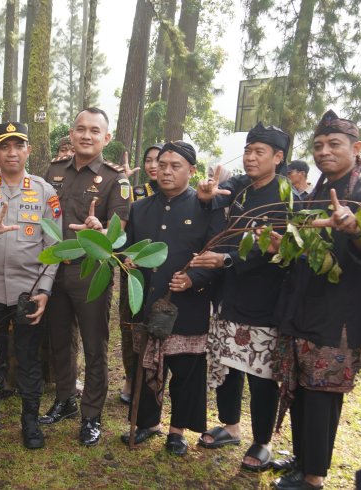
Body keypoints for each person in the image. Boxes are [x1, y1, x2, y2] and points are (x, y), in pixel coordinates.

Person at [271, 110, 361, 490]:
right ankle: (303, 458)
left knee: (323, 392)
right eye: (318, 145)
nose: (324, 152)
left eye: (333, 144)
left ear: (356, 148)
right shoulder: (318, 190)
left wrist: (356, 229)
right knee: (304, 387)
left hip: (336, 314)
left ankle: (314, 476)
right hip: (305, 305)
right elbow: (306, 247)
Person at [192, 123, 292, 471]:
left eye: (259, 152)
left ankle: (262, 439)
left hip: (262, 295)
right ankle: (230, 425)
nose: (250, 157)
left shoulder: (286, 196)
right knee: (226, 364)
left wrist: (228, 259)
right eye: (248, 150)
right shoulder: (240, 188)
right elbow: (216, 195)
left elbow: (274, 248)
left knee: (260, 372)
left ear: (278, 158)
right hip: (226, 292)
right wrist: (208, 192)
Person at [122, 141, 225, 456]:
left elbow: (219, 252)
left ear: (191, 171)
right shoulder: (140, 208)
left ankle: (177, 430)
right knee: (149, 368)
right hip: (150, 302)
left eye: (175, 165)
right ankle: (147, 423)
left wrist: (194, 279)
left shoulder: (206, 207)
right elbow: (127, 249)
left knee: (186, 371)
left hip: (189, 304)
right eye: (162, 164)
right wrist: (127, 258)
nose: (165, 171)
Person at [0, 122, 60, 449]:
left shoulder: (45, 191)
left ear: (28, 150)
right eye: (4, 146)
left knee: (29, 358)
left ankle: (30, 422)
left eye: (18, 145)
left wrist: (45, 289)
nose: (12, 152)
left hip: (28, 292)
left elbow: (54, 245)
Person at [41, 108, 130, 446]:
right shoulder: (53, 171)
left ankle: (91, 414)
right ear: (71, 132)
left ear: (106, 138)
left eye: (95, 130)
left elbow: (122, 228)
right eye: (80, 129)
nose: (86, 135)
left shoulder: (114, 180)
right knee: (60, 339)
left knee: (95, 346)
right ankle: (65, 399)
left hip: (90, 272)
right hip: (54, 269)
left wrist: (102, 228)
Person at [117, 142, 163, 406]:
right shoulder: (133, 192)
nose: (154, 166)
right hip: (133, 270)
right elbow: (122, 229)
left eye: (160, 160)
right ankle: (130, 377)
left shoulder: (182, 197)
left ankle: (153, 381)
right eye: (149, 160)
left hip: (160, 273)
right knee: (129, 325)